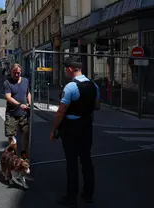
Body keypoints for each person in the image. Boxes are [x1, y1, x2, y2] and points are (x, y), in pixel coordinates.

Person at [49, 57, 100, 208]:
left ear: (71, 69)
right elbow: (97, 106)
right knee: (86, 159)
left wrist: (53, 129)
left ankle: (71, 197)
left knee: (71, 163)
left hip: (71, 127)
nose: (65, 71)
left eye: (66, 69)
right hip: (87, 125)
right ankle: (88, 194)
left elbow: (61, 111)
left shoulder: (70, 87)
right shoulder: (94, 85)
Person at [3, 63, 32, 159]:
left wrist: (29, 102)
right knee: (11, 134)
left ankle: (23, 152)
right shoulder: (7, 83)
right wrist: (19, 105)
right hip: (12, 113)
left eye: (18, 73)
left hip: (24, 113)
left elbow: (28, 93)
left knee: (25, 133)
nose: (16, 75)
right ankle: (13, 153)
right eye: (14, 73)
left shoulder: (26, 81)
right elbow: (8, 97)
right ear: (11, 72)